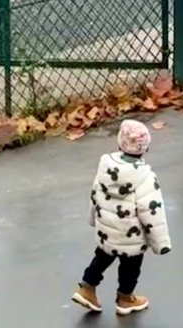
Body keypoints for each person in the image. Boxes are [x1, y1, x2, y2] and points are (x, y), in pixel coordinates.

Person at [72, 119, 171, 317]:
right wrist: (161, 243)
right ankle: (125, 297)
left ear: (119, 143)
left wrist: (93, 219)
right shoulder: (145, 177)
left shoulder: (105, 168)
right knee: (130, 267)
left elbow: (95, 196)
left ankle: (86, 287)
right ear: (145, 149)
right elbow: (152, 212)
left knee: (101, 258)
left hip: (107, 230)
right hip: (130, 237)